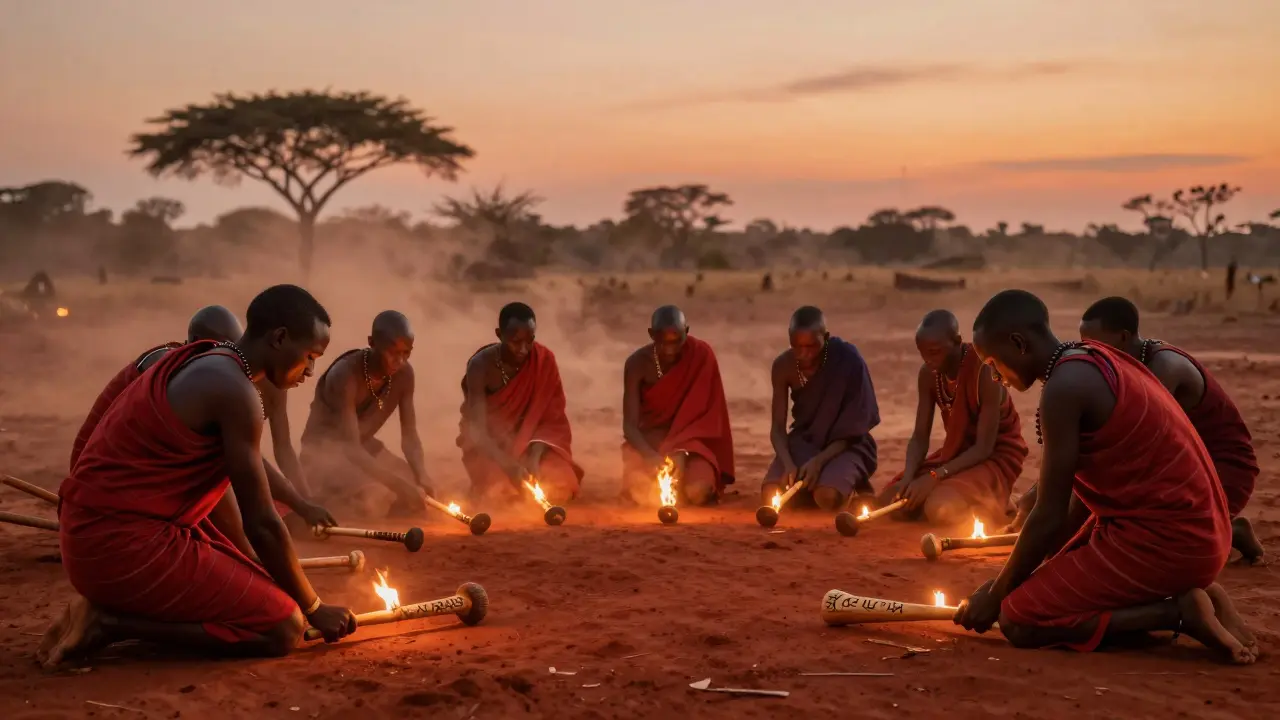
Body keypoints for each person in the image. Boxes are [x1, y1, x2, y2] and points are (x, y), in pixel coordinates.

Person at [40, 285, 357, 669]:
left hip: (94, 535)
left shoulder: (214, 364)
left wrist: (296, 511)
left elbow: (250, 468)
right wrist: (315, 607)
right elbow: (262, 524)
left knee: (262, 581)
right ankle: (109, 622)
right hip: (118, 549)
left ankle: (113, 609)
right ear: (279, 338)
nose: (310, 370)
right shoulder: (233, 390)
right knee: (283, 626)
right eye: (310, 356)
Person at [953, 289, 1255, 664]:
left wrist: (997, 595)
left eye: (994, 364)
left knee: (1019, 618)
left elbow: (1048, 516)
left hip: (1172, 543)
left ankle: (1176, 613)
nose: (996, 377)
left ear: (1018, 343)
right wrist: (1034, 574)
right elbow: (1076, 505)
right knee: (1040, 580)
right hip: (1202, 531)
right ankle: (1201, 594)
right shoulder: (1096, 360)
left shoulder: (1064, 389)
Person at [69, 306, 332, 538]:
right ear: (192, 344)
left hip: (158, 481)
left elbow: (275, 450)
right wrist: (249, 551)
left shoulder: (255, 376)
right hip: (108, 479)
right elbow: (227, 461)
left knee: (270, 510)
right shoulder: (171, 367)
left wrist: (303, 503)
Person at [1079, 296, 1262, 562]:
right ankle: (1229, 530)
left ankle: (1228, 530)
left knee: (1149, 536)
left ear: (1123, 337)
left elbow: (1129, 440)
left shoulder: (1165, 368)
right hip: (1185, 467)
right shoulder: (1129, 363)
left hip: (1224, 470)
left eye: (1094, 345)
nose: (1089, 353)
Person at [878, 310, 1027, 524]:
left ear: (957, 341)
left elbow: (984, 447)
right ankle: (962, 496)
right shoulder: (929, 375)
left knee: (940, 509)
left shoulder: (985, 371)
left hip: (994, 455)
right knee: (891, 501)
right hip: (956, 454)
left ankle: (1001, 503)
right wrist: (909, 479)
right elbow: (920, 436)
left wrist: (934, 477)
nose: (928, 360)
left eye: (935, 352)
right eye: (923, 353)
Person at [299, 311, 433, 517]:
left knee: (410, 480)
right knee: (375, 493)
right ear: (372, 343)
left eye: (407, 353)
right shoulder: (345, 375)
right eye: (392, 352)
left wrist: (421, 474)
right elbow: (349, 449)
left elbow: (409, 435)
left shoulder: (405, 374)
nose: (400, 361)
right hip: (327, 458)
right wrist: (398, 486)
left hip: (365, 448)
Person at [458, 302, 583, 505]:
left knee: (562, 485)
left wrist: (533, 458)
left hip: (532, 446)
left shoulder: (544, 360)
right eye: (516, 342)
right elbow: (477, 432)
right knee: (498, 494)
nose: (523, 349)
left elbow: (551, 420)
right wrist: (509, 465)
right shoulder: (480, 366)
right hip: (492, 448)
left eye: (530, 341)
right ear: (499, 335)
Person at [761, 306, 880, 512]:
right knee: (773, 491)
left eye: (812, 346)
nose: (804, 354)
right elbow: (777, 429)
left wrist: (818, 462)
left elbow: (855, 427)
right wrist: (788, 464)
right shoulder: (783, 366)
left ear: (825, 337)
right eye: (797, 346)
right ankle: (825, 482)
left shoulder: (848, 360)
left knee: (826, 497)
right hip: (806, 440)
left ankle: (853, 484)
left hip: (846, 444)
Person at [620, 305, 735, 506]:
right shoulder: (637, 364)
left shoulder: (701, 355)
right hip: (652, 443)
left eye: (677, 341)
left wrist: (681, 450)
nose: (669, 349)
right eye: (662, 342)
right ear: (651, 334)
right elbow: (629, 426)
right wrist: (650, 457)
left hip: (692, 445)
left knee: (698, 492)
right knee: (642, 492)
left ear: (687, 332)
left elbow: (707, 419)